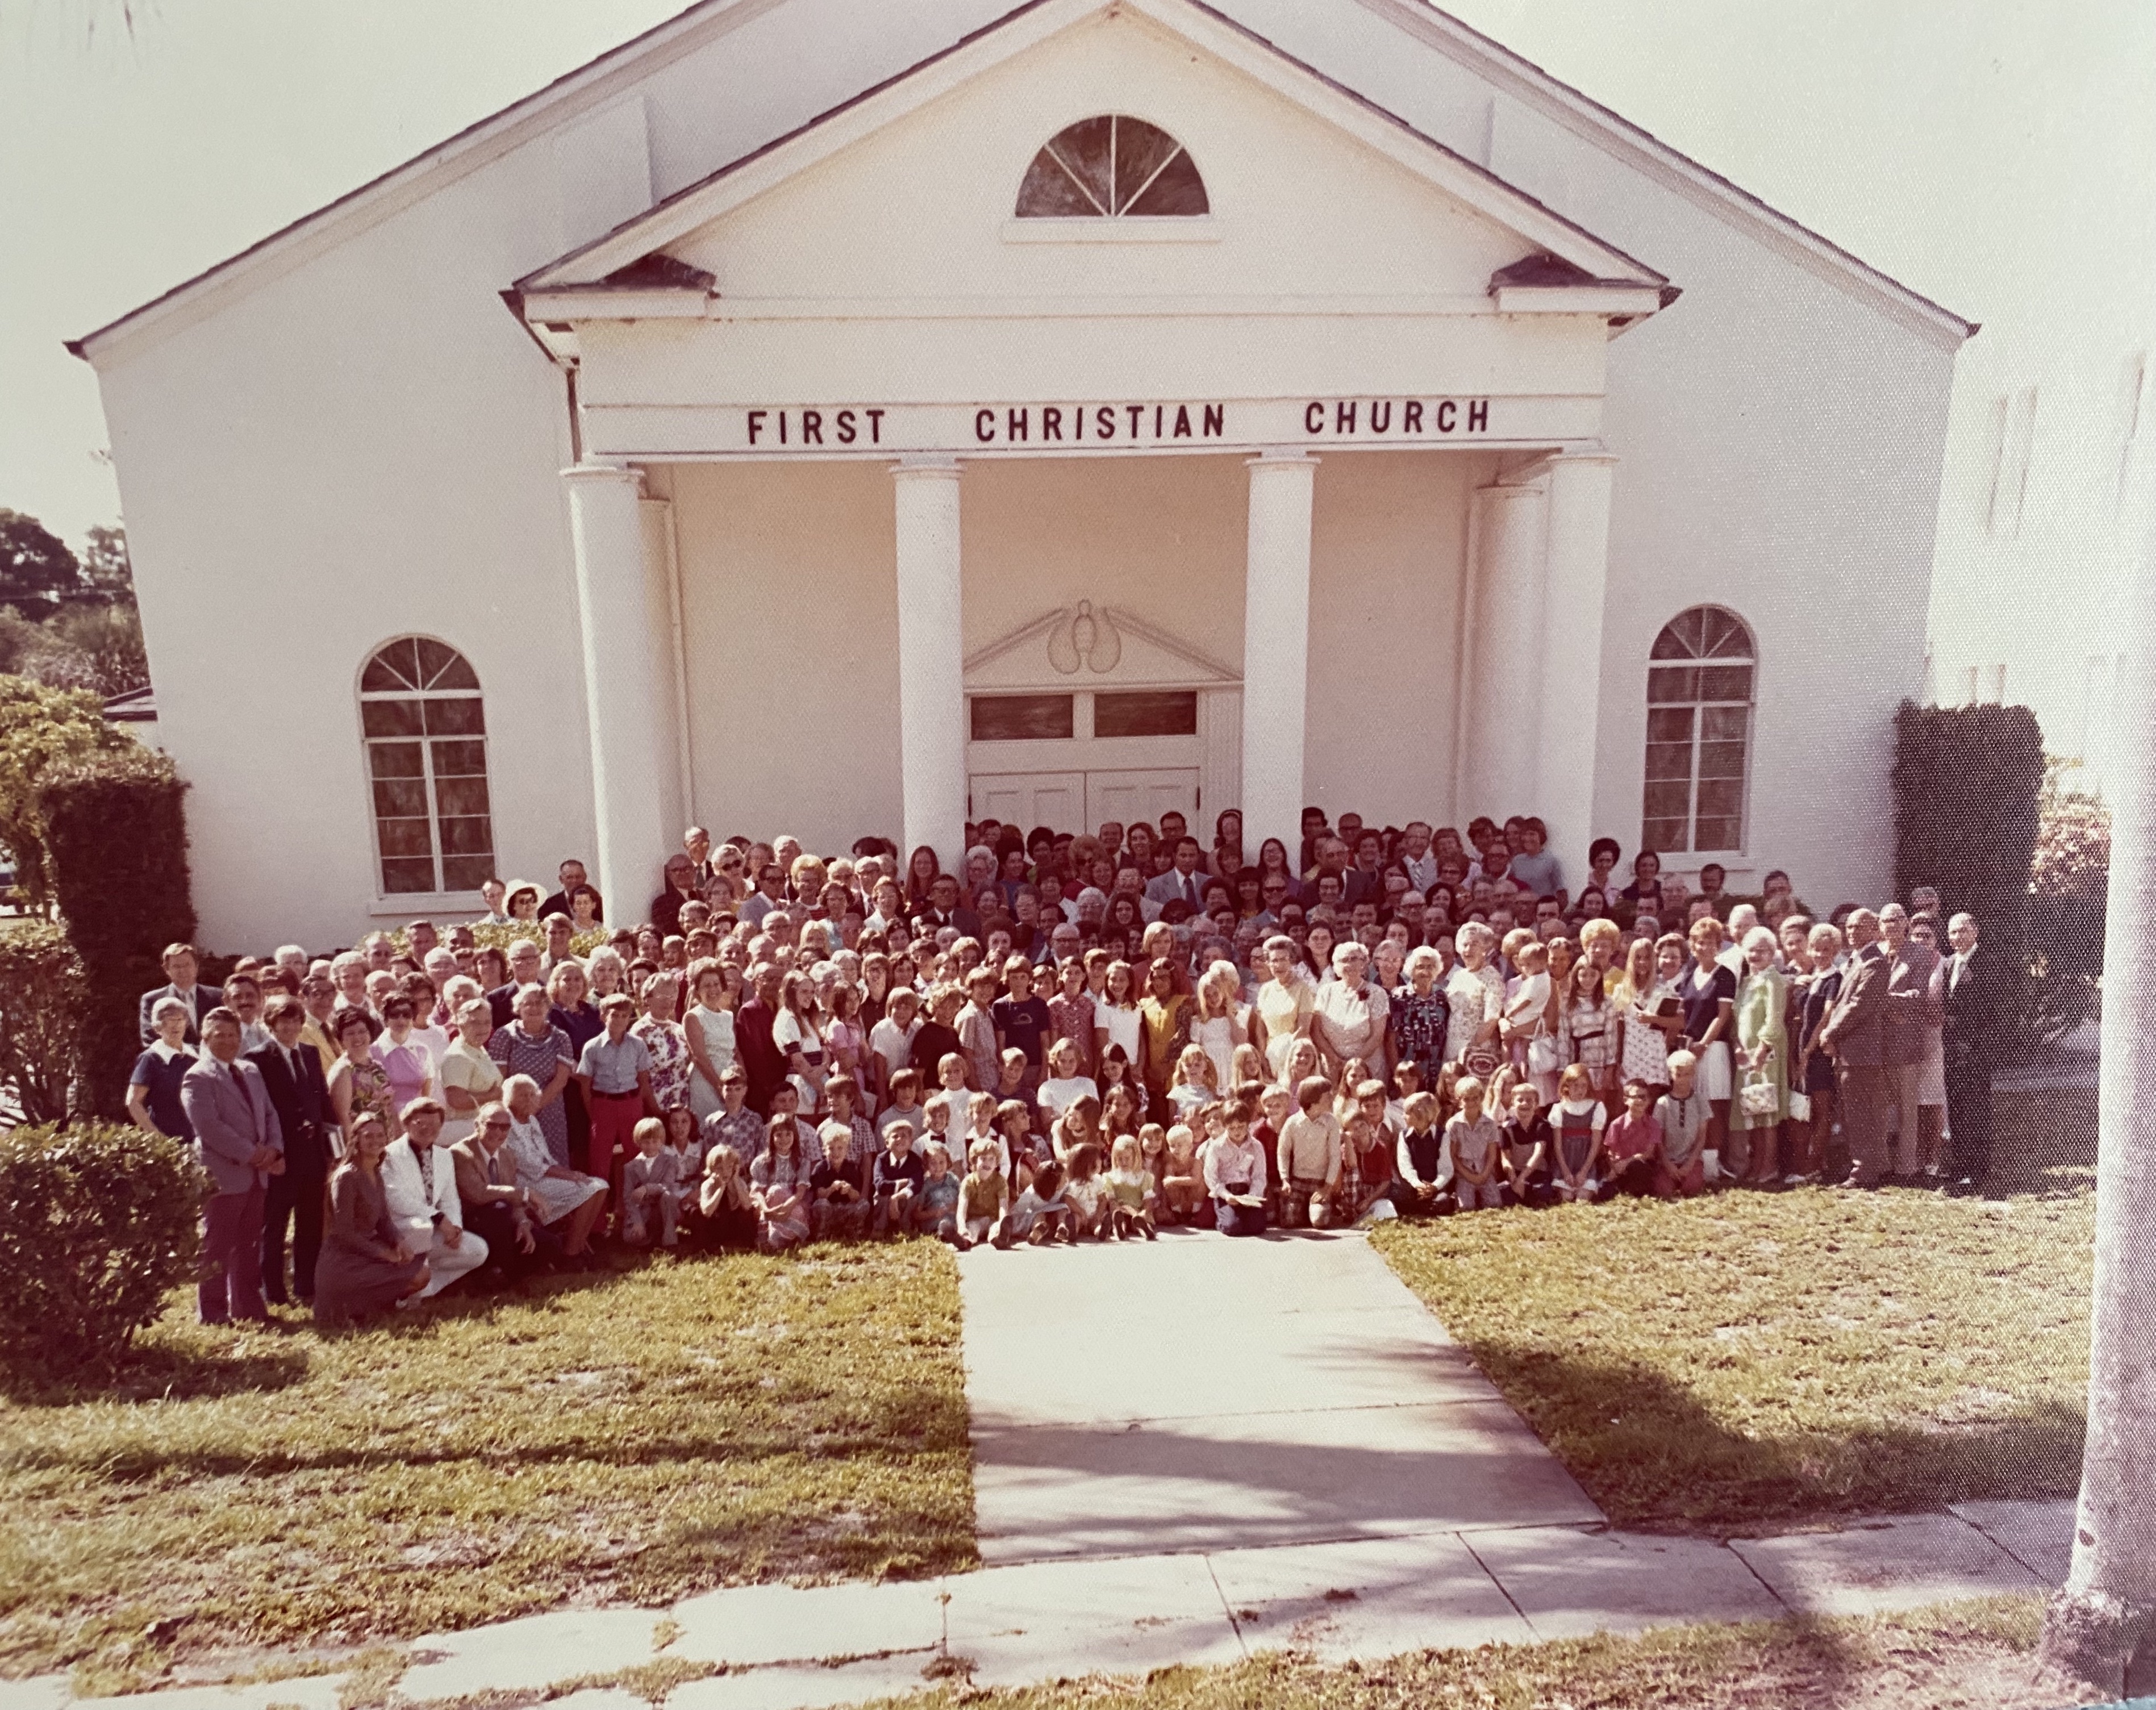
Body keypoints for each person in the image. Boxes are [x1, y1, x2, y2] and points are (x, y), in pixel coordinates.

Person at [180, 1007, 285, 1324]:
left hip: (257, 1175)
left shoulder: (250, 1070)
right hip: (223, 1174)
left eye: (233, 1035)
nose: (228, 1041)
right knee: (217, 1246)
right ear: (206, 1038)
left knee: (249, 1244)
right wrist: (254, 1154)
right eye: (220, 1035)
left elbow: (269, 1113)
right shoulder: (197, 1076)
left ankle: (248, 1308)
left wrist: (276, 1151)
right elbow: (209, 1128)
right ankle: (211, 1312)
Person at [249, 994, 333, 1307]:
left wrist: (331, 1142)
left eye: (295, 1020)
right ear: (271, 1024)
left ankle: (306, 1285)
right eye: (283, 1021)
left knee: (310, 1222)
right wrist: (271, 1151)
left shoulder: (310, 1054)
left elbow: (322, 1100)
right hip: (281, 1154)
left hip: (312, 1154)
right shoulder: (258, 1058)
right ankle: (273, 1290)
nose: (290, 1026)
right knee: (276, 1224)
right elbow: (259, 1109)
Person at [314, 1110, 429, 1327]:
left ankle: (370, 1306)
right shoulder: (347, 1177)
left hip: (369, 1250)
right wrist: (383, 1253)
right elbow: (344, 1233)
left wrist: (399, 1242)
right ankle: (353, 1306)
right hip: (345, 1259)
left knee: (423, 1274)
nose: (375, 1141)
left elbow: (384, 1219)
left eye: (380, 1135)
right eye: (368, 1136)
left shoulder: (375, 1171)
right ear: (356, 1139)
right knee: (417, 1276)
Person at [1816, 908, 1894, 1187]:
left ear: (1875, 930)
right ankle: (1864, 1166)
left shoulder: (1874, 962)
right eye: (1848, 927)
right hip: (1849, 1050)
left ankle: (1865, 1171)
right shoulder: (1855, 961)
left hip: (1863, 1052)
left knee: (1862, 1113)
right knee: (1854, 1112)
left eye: (1860, 927)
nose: (1852, 932)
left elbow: (1859, 1005)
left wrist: (1831, 1033)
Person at [382, 1098, 487, 1297]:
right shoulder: (389, 1155)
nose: (428, 1129)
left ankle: (424, 1289)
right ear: (406, 1124)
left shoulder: (444, 1156)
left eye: (435, 1124)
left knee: (478, 1251)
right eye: (421, 1123)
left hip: (433, 1229)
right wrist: (438, 1218)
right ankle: (412, 1283)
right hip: (402, 1230)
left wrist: (455, 1228)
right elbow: (395, 1198)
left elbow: (450, 1199)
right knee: (423, 1228)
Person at [500, 1073, 608, 1257]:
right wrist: (570, 1176)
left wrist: (571, 1174)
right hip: (525, 1183)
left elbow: (546, 1159)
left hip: (543, 1177)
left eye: (532, 1095)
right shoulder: (508, 1125)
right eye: (522, 1095)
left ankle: (579, 1243)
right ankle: (571, 1252)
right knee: (591, 1188)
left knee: (601, 1186)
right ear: (509, 1098)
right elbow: (530, 1165)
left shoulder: (532, 1120)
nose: (528, 1099)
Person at [452, 1102, 551, 1281]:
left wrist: (522, 1222)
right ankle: (498, 1272)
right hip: (471, 1220)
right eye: (492, 1125)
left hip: (503, 1220)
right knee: (499, 1210)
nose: (498, 1132)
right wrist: (525, 1193)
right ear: (477, 1125)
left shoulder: (507, 1156)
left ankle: (507, 1271)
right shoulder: (460, 1154)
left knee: (551, 1245)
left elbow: (515, 1201)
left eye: (504, 1127)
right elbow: (478, 1194)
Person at [1878, 903, 1940, 1183]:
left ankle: (1906, 1167)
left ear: (1906, 924)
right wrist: (1895, 1001)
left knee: (1907, 1107)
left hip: (1906, 1042)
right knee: (1880, 1105)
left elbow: (1919, 998)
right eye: (1886, 920)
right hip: (1878, 1044)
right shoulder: (1876, 954)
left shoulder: (1919, 955)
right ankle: (1881, 1163)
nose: (1891, 924)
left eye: (1897, 919)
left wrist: (1886, 1003)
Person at [1941, 912, 1999, 1194]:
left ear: (1975, 931)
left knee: (1976, 1109)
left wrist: (1980, 1045)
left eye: (1963, 931)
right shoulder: (1949, 964)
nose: (1957, 937)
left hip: (1976, 1051)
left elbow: (1995, 1011)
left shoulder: (1988, 965)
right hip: (1952, 1051)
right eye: (1953, 932)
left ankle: (1978, 1168)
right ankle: (1960, 1164)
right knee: (1956, 1108)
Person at [1729, 925, 1790, 1185]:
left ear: (1772, 953)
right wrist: (1739, 1049)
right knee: (1752, 1109)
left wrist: (1761, 1053)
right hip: (1747, 1055)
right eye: (1751, 950)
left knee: (1767, 1110)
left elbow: (1774, 1021)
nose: (1755, 955)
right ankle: (1755, 1164)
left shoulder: (1773, 980)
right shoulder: (1746, 982)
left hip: (1767, 1053)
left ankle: (1769, 1167)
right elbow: (1736, 1022)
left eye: (1762, 951)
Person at [128, 996, 199, 1143]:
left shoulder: (197, 1054)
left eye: (180, 1019)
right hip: (172, 1144)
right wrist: (158, 1139)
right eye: (169, 1020)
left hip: (202, 1141)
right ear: (157, 1028)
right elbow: (133, 1102)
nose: (176, 1025)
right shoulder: (151, 1059)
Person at [1275, 1073, 1341, 1228]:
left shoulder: (1331, 1122)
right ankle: (1299, 1208)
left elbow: (1335, 1156)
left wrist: (1327, 1187)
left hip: (1320, 1183)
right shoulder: (1293, 1123)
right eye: (1328, 1096)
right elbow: (1283, 1152)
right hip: (1298, 1181)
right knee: (1289, 1221)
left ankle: (1315, 1210)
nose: (1332, 1098)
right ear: (1313, 1101)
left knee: (1320, 1221)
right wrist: (1285, 1179)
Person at [1203, 1095, 1269, 1235]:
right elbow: (1211, 1177)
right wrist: (1226, 1195)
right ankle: (1222, 1218)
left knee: (1257, 1228)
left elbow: (1259, 1176)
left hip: (1247, 1192)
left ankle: (1244, 1216)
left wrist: (1253, 1196)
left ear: (1248, 1124)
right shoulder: (1217, 1147)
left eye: (1241, 1127)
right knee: (1233, 1228)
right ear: (1225, 1126)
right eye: (1231, 1128)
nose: (1237, 1131)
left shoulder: (1256, 1146)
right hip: (1226, 1193)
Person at [622, 1117, 689, 1247]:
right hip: (643, 1211)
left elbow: (666, 1186)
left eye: (655, 1142)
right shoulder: (630, 1167)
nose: (651, 1146)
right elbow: (628, 1197)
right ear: (638, 1142)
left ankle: (670, 1239)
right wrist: (637, 1221)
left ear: (661, 1142)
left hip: (664, 1207)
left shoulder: (669, 1161)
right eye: (646, 1142)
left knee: (668, 1196)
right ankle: (649, 1233)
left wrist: (646, 1188)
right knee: (631, 1237)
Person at [1654, 1053, 1711, 1199]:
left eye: (1687, 1074)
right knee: (1663, 1190)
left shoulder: (1700, 1100)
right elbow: (1658, 1139)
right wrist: (1667, 1164)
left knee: (1692, 1188)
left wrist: (1690, 1163)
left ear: (1693, 1074)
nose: (1683, 1079)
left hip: (1690, 1159)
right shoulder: (1663, 1103)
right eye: (1678, 1075)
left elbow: (1702, 1136)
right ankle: (1671, 1180)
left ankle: (1687, 1179)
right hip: (1668, 1160)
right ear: (1671, 1075)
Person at [140, 941, 214, 1046]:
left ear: (196, 966)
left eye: (187, 965)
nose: (183, 970)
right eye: (176, 966)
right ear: (167, 969)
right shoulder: (152, 1000)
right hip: (172, 1061)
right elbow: (150, 1040)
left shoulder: (217, 997)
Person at [1445, 1077, 1503, 1210]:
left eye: (1475, 1098)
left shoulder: (1489, 1123)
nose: (1471, 1102)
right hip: (1464, 1173)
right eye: (1466, 1099)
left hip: (1485, 1170)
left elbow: (1492, 1154)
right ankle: (1460, 1195)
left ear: (1481, 1097)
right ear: (1459, 1100)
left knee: (1495, 1205)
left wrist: (1484, 1175)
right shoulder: (1454, 1124)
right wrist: (1468, 1176)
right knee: (1466, 1208)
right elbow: (1453, 1156)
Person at [1600, 1080, 1665, 1198]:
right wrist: (1616, 1168)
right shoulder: (1617, 1125)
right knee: (1605, 1192)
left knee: (1638, 1167)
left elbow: (1649, 1153)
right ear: (1626, 1100)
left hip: (1643, 1166)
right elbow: (1610, 1152)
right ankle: (1622, 1188)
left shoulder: (1653, 1124)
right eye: (1636, 1097)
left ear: (1649, 1101)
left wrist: (1627, 1162)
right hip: (1620, 1168)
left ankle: (1637, 1191)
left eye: (1644, 1097)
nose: (1640, 1101)